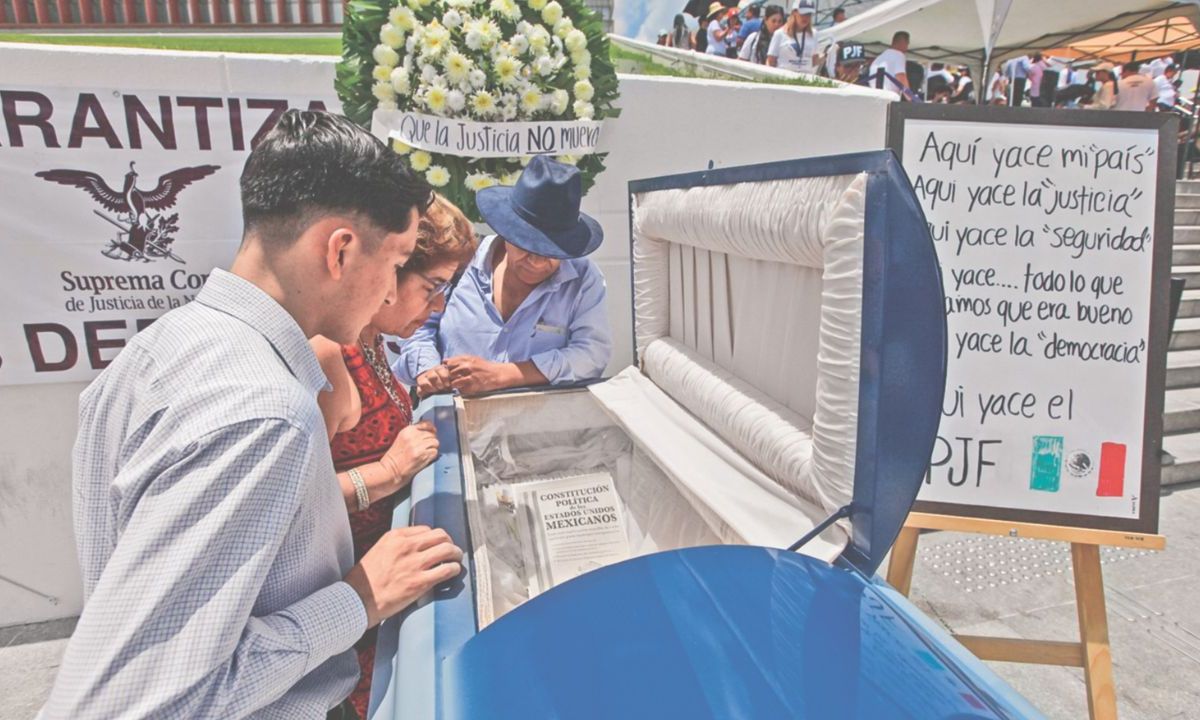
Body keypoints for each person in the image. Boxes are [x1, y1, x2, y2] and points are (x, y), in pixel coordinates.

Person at [42, 109, 463, 719]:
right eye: (396, 264)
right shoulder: (267, 414)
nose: (394, 293)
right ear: (340, 249)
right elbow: (145, 701)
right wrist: (360, 598)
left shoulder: (150, 352)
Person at [310, 195, 476, 718]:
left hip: (383, 586)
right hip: (345, 596)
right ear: (391, 272)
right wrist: (385, 474)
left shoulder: (373, 337)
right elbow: (287, 500)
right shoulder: (328, 352)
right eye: (431, 288)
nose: (439, 307)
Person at [395, 155, 612, 398]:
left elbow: (592, 353)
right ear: (507, 231)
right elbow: (418, 326)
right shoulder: (461, 262)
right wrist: (428, 369)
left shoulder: (584, 279)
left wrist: (505, 374)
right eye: (527, 248)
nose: (538, 262)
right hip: (451, 420)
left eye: (552, 253)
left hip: (540, 428)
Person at [767, 0, 818, 74]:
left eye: (809, 14)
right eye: (803, 13)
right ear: (794, 12)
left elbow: (814, 60)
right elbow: (771, 61)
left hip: (806, 79)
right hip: (784, 78)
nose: (806, 17)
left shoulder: (814, 34)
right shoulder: (780, 34)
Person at [868, 30, 910, 97]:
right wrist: (910, 97)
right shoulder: (898, 55)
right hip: (889, 98)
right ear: (904, 42)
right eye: (907, 44)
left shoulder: (879, 58)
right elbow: (901, 76)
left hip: (874, 97)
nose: (907, 48)